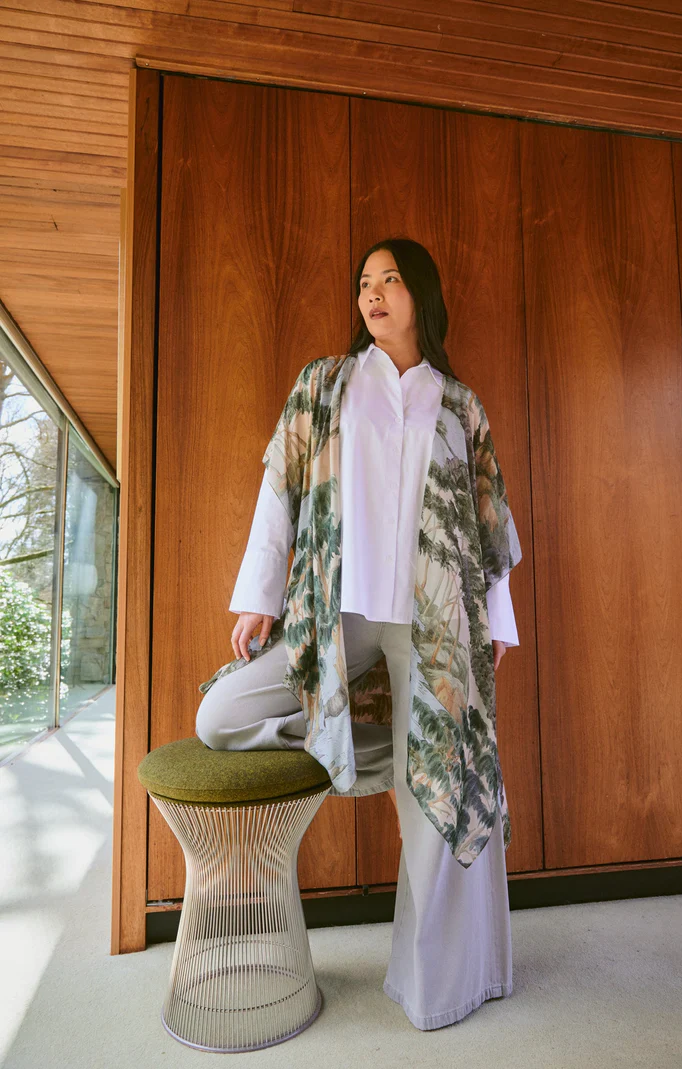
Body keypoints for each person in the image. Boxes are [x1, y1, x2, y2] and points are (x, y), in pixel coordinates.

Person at [195, 237, 522, 1031]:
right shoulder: (326, 383)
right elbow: (278, 485)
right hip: (338, 614)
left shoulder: (459, 404)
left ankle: (436, 988)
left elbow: (488, 526)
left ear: (421, 296)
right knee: (221, 715)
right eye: (365, 282)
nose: (372, 293)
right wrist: (258, 597)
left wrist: (499, 620)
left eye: (390, 280)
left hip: (435, 623)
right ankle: (378, 749)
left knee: (436, 801)